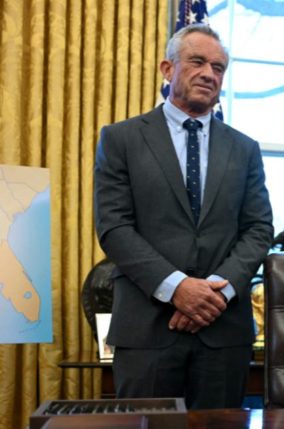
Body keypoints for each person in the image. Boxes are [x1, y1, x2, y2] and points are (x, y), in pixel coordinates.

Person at [93, 24, 274, 409]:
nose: (209, 73)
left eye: (219, 67)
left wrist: (216, 293)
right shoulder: (121, 139)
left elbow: (259, 229)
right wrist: (177, 288)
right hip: (147, 330)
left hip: (223, 332)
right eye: (197, 61)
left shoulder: (245, 149)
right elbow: (114, 226)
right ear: (166, 68)